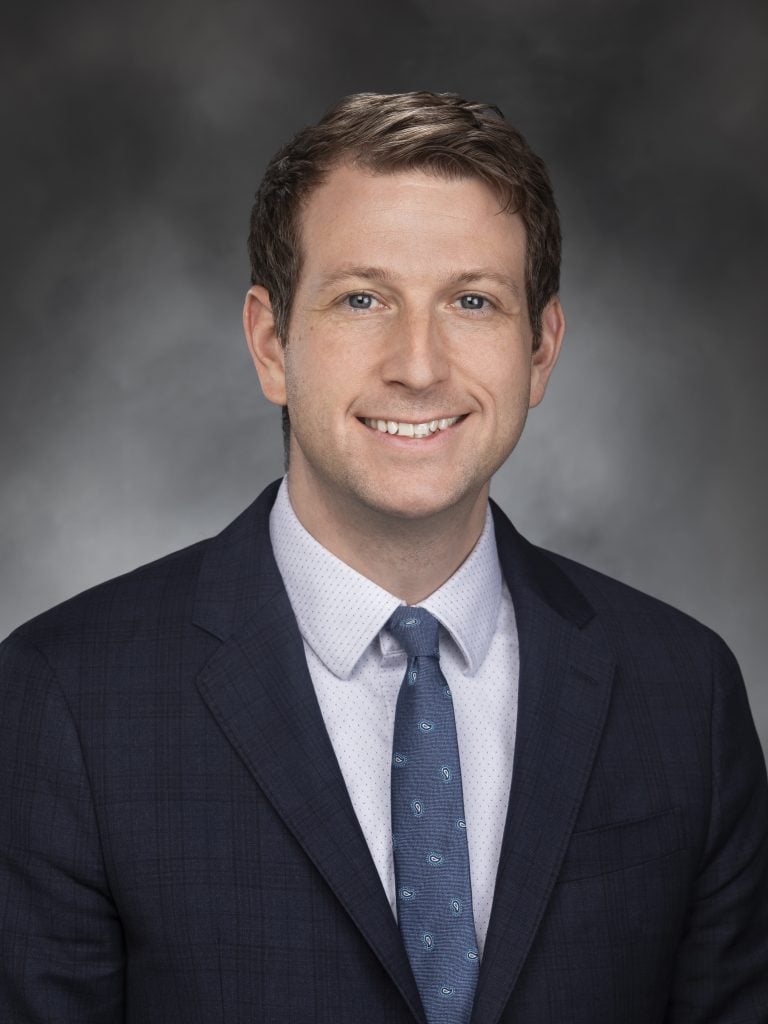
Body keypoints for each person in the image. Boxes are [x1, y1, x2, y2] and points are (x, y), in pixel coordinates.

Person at [1, 91, 766, 1024]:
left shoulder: (685, 692)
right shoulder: (66, 698)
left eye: (473, 302)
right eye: (362, 299)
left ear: (541, 350)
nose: (419, 364)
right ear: (272, 343)